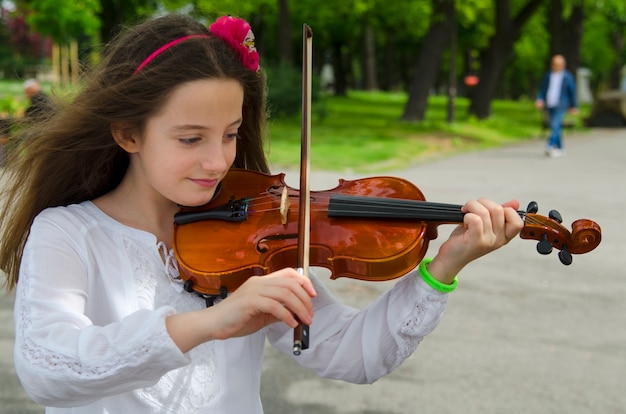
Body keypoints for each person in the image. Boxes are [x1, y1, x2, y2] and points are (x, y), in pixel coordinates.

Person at [0, 13, 524, 414]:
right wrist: (211, 322)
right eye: (190, 138)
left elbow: (353, 355)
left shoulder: (253, 234)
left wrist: (444, 267)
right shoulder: (69, 234)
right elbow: (48, 367)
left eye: (230, 134)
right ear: (128, 133)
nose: (218, 160)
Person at [535, 54, 579, 158]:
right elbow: (542, 89)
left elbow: (572, 92)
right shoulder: (548, 76)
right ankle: (560, 148)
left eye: (558, 65)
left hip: (561, 104)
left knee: (555, 125)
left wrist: (574, 106)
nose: (556, 67)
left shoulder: (568, 77)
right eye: (554, 65)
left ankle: (550, 145)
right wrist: (540, 99)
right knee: (556, 126)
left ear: (563, 65)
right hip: (549, 103)